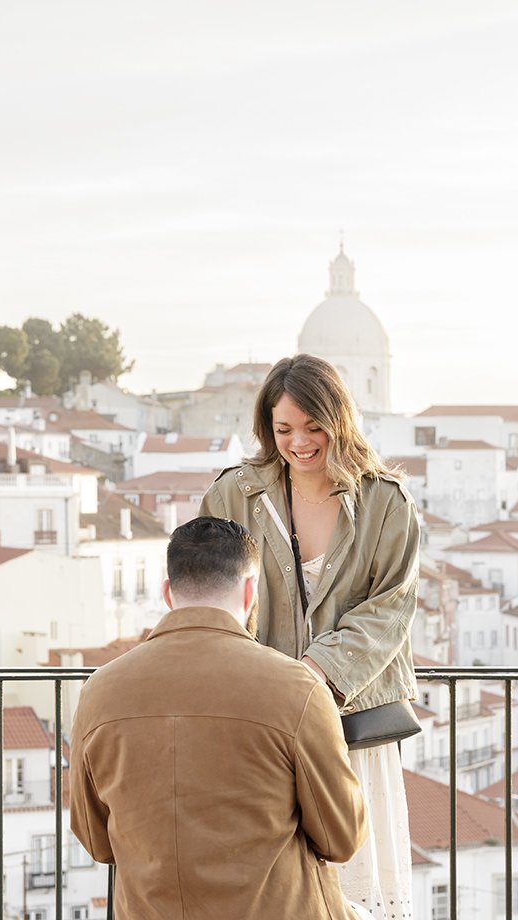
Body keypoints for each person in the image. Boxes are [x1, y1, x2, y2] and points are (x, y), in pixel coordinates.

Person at [200, 354, 419, 920]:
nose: (299, 442)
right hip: (260, 724)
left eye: (313, 426)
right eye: (284, 429)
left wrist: (317, 671)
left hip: (353, 724)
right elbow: (206, 588)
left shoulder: (384, 502)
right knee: (273, 883)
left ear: (338, 419)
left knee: (358, 879)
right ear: (267, 429)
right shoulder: (234, 497)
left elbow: (391, 609)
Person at [68, 516, 368, 920]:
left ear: (168, 593)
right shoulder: (297, 689)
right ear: (249, 590)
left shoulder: (98, 691)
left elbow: (95, 841)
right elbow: (341, 838)